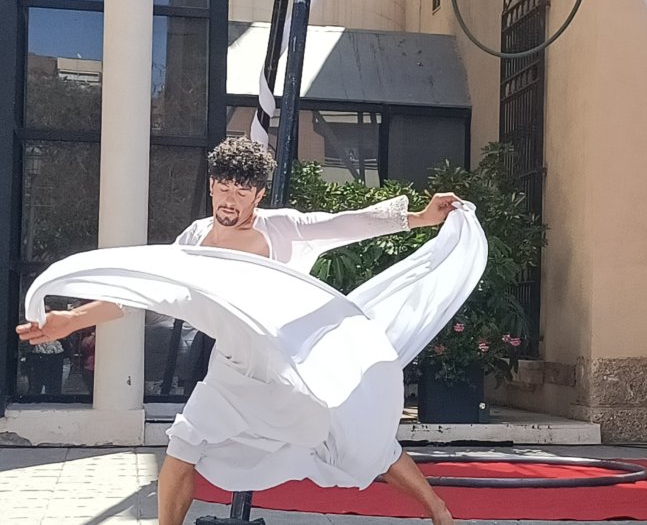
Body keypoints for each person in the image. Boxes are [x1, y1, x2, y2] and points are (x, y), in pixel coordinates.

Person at [18, 136, 487, 525]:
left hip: (288, 367)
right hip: (232, 370)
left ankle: (439, 512)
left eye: (242, 192)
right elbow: (145, 294)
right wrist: (72, 318)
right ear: (212, 185)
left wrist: (421, 218)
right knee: (182, 445)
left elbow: (342, 225)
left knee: (360, 442)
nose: (229, 199)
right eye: (223, 187)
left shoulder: (280, 229)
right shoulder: (195, 238)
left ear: (258, 196)